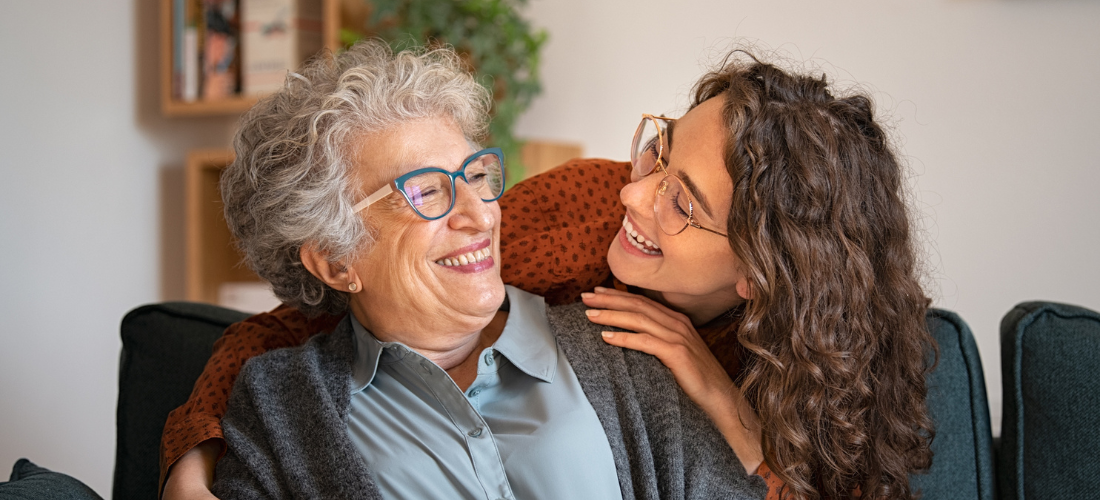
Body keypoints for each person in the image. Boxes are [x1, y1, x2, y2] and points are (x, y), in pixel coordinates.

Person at [163, 48, 935, 500]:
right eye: (658, 152)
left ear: (759, 276)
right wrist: (193, 450)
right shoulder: (585, 218)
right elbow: (301, 322)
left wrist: (731, 418)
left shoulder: (664, 374)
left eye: (681, 201)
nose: (635, 193)